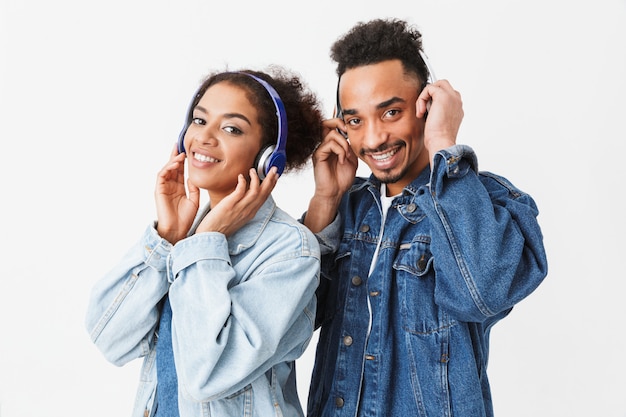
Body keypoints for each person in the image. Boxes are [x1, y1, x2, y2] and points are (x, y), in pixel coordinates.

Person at [302, 18, 548, 417]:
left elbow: (483, 294)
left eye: (391, 112)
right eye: (355, 120)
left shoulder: (485, 200)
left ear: (426, 106)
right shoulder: (345, 207)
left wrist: (442, 146)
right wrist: (325, 199)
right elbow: (288, 324)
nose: (374, 138)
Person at [85, 67, 324, 417]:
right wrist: (167, 238)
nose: (204, 138)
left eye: (231, 128)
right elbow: (109, 337)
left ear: (267, 155)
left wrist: (206, 243)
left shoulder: (290, 251)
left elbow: (206, 376)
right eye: (199, 121)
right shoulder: (186, 234)